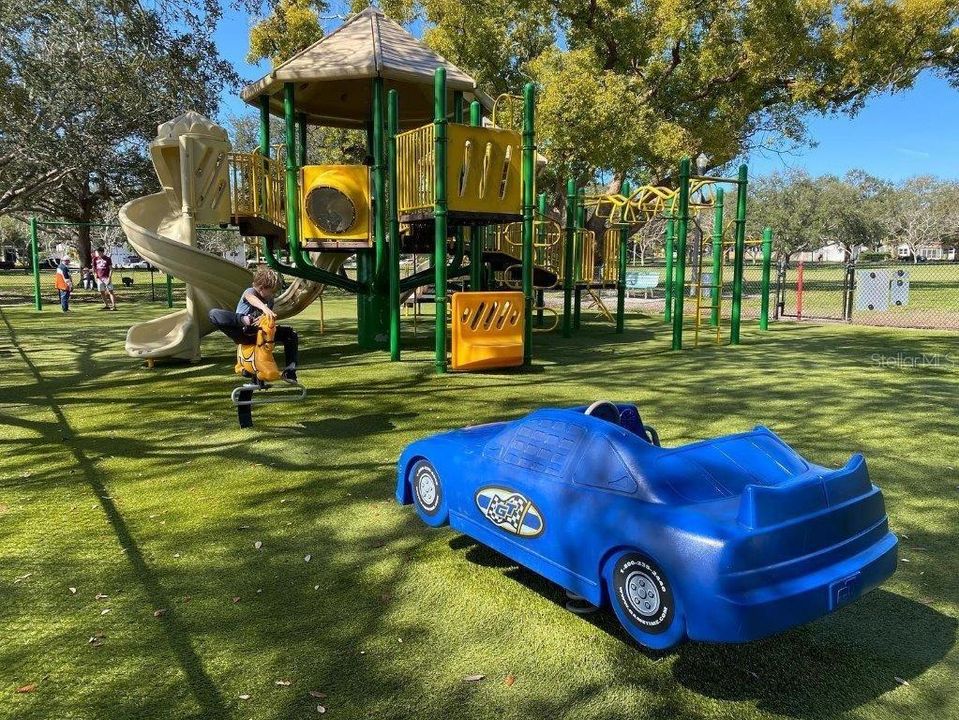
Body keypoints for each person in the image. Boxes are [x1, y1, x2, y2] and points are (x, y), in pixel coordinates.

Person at [208, 267, 298, 381]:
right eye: (272, 292)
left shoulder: (270, 300)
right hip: (242, 332)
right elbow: (251, 298)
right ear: (261, 288)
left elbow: (266, 321)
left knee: (291, 334)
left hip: (258, 334)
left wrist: (267, 320)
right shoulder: (250, 291)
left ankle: (290, 370)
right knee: (213, 313)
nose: (273, 295)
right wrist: (263, 309)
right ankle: (244, 319)